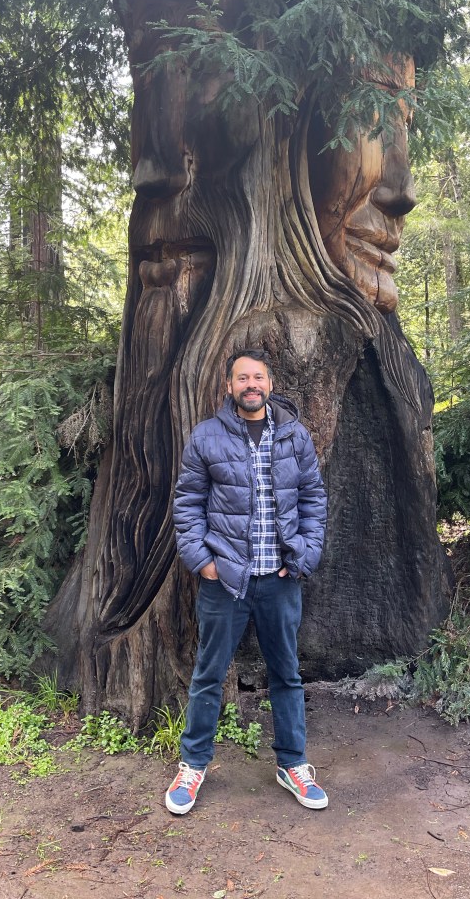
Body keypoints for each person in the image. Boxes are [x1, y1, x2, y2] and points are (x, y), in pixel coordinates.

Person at [165, 349, 328, 815]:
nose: (251, 384)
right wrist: (203, 562)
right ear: (229, 386)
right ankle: (193, 765)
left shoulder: (294, 435)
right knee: (208, 674)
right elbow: (187, 503)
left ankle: (292, 764)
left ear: (270, 385)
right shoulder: (207, 436)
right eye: (242, 378)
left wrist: (305, 556)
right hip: (225, 581)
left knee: (287, 674)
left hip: (280, 579)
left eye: (258, 377)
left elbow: (314, 499)